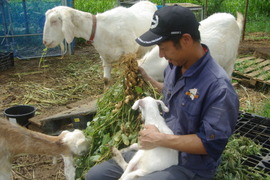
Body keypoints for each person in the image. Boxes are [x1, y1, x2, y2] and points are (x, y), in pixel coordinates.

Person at [86, 5, 239, 180]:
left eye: (163, 47)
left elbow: (210, 143)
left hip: (189, 164)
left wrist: (160, 139)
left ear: (186, 40)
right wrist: (148, 80)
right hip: (160, 150)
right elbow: (172, 92)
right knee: (96, 176)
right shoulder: (174, 67)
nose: (161, 54)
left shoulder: (219, 88)